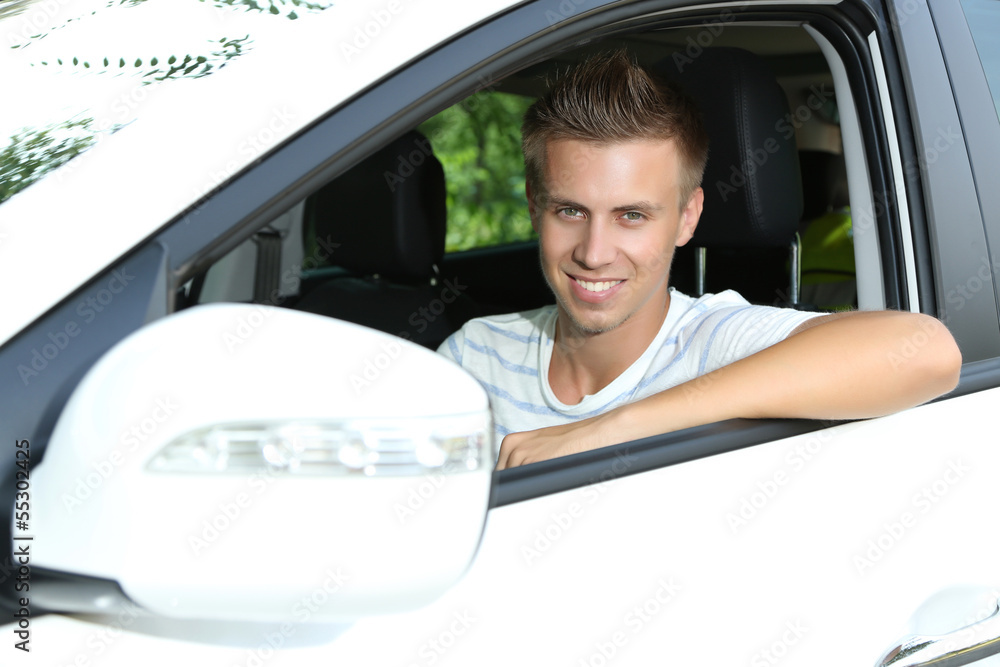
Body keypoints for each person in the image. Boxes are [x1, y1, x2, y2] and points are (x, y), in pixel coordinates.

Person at [437, 51, 961, 470]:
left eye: (632, 216)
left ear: (688, 217)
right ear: (534, 206)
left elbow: (927, 351)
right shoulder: (472, 358)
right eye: (570, 211)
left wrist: (607, 429)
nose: (594, 254)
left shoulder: (715, 345)